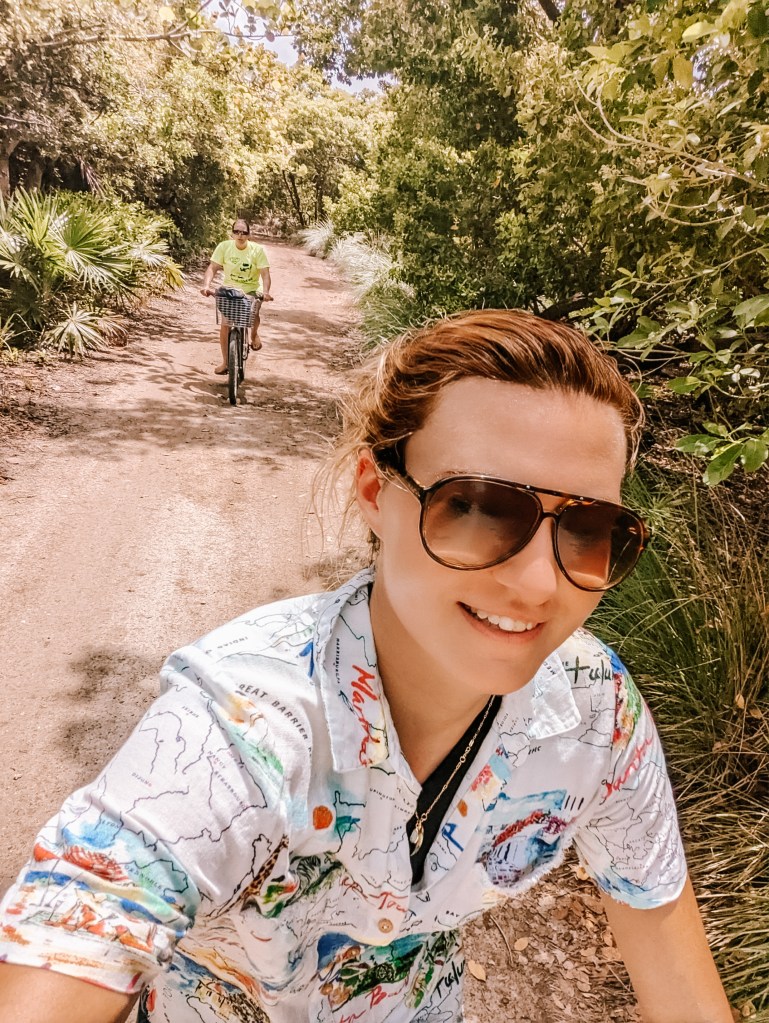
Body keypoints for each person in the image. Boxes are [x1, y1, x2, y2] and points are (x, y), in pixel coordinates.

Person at [0, 310, 733, 1023]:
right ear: (375, 493)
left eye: (588, 528)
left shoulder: (593, 709)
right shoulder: (243, 725)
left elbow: (669, 952)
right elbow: (85, 914)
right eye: (476, 507)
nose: (539, 583)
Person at [200, 218, 273, 375]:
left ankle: (253, 336)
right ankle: (226, 363)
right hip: (230, 289)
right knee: (225, 323)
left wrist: (266, 292)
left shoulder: (257, 250)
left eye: (244, 232)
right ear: (232, 233)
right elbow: (212, 267)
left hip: (251, 289)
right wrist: (206, 286)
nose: (240, 235)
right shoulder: (224, 247)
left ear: (249, 234)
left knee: (253, 313)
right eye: (236, 232)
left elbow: (265, 274)